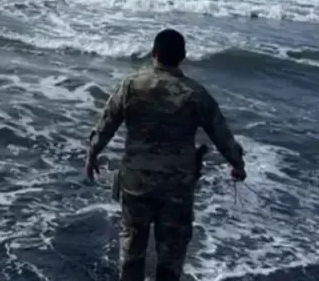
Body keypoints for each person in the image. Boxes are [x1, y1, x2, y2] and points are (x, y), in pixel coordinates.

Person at [84, 28, 246, 281]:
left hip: (136, 181)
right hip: (177, 186)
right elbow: (222, 135)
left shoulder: (131, 85)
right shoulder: (195, 93)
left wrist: (92, 155)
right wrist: (237, 164)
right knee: (171, 255)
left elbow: (106, 125)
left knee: (132, 251)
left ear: (153, 53)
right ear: (183, 56)